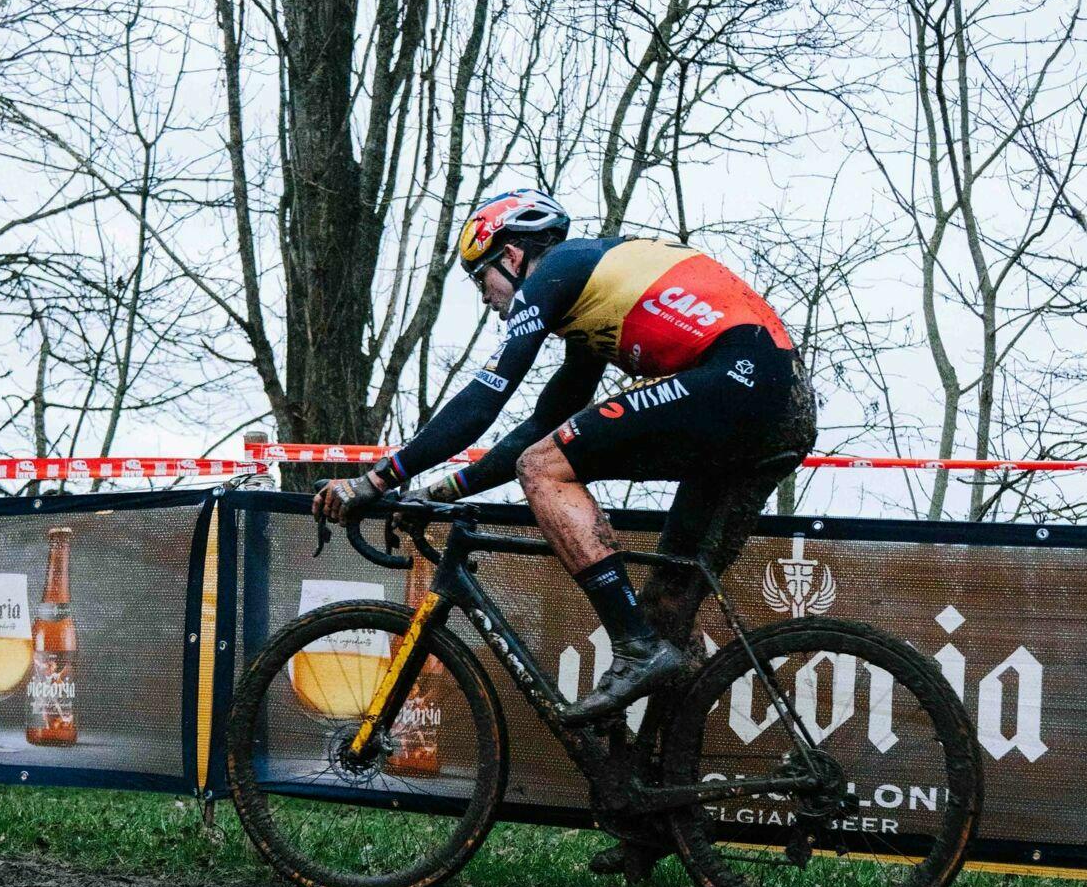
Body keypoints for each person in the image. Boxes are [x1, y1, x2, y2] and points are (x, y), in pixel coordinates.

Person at [314, 188, 817, 726]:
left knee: (542, 468)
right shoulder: (595, 300)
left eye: (480, 279)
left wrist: (377, 480)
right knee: (667, 608)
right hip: (779, 406)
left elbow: (488, 399)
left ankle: (633, 646)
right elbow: (542, 424)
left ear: (510, 256)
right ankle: (662, 789)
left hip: (737, 381)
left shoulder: (556, 270)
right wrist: (441, 490)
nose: (485, 298)